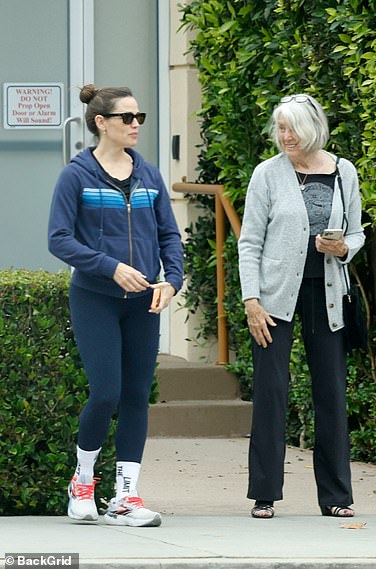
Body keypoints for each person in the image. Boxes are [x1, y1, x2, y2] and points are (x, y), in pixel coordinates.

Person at [48, 84, 183, 527]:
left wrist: (173, 281)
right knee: (106, 391)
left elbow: (168, 235)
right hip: (96, 298)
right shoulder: (77, 175)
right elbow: (59, 239)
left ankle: (126, 497)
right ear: (101, 122)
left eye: (139, 117)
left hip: (144, 301)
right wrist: (110, 267)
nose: (136, 125)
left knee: (136, 396)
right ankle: (82, 483)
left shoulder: (149, 175)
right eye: (127, 118)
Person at [238, 94, 365, 519]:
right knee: (271, 393)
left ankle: (336, 497)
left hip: (327, 294)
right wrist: (251, 300)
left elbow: (358, 232)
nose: (285, 136)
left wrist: (344, 246)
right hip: (275, 298)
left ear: (313, 128)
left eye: (292, 127)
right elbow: (250, 241)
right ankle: (264, 494)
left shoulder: (343, 171)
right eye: (280, 128)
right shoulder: (267, 174)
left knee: (330, 392)